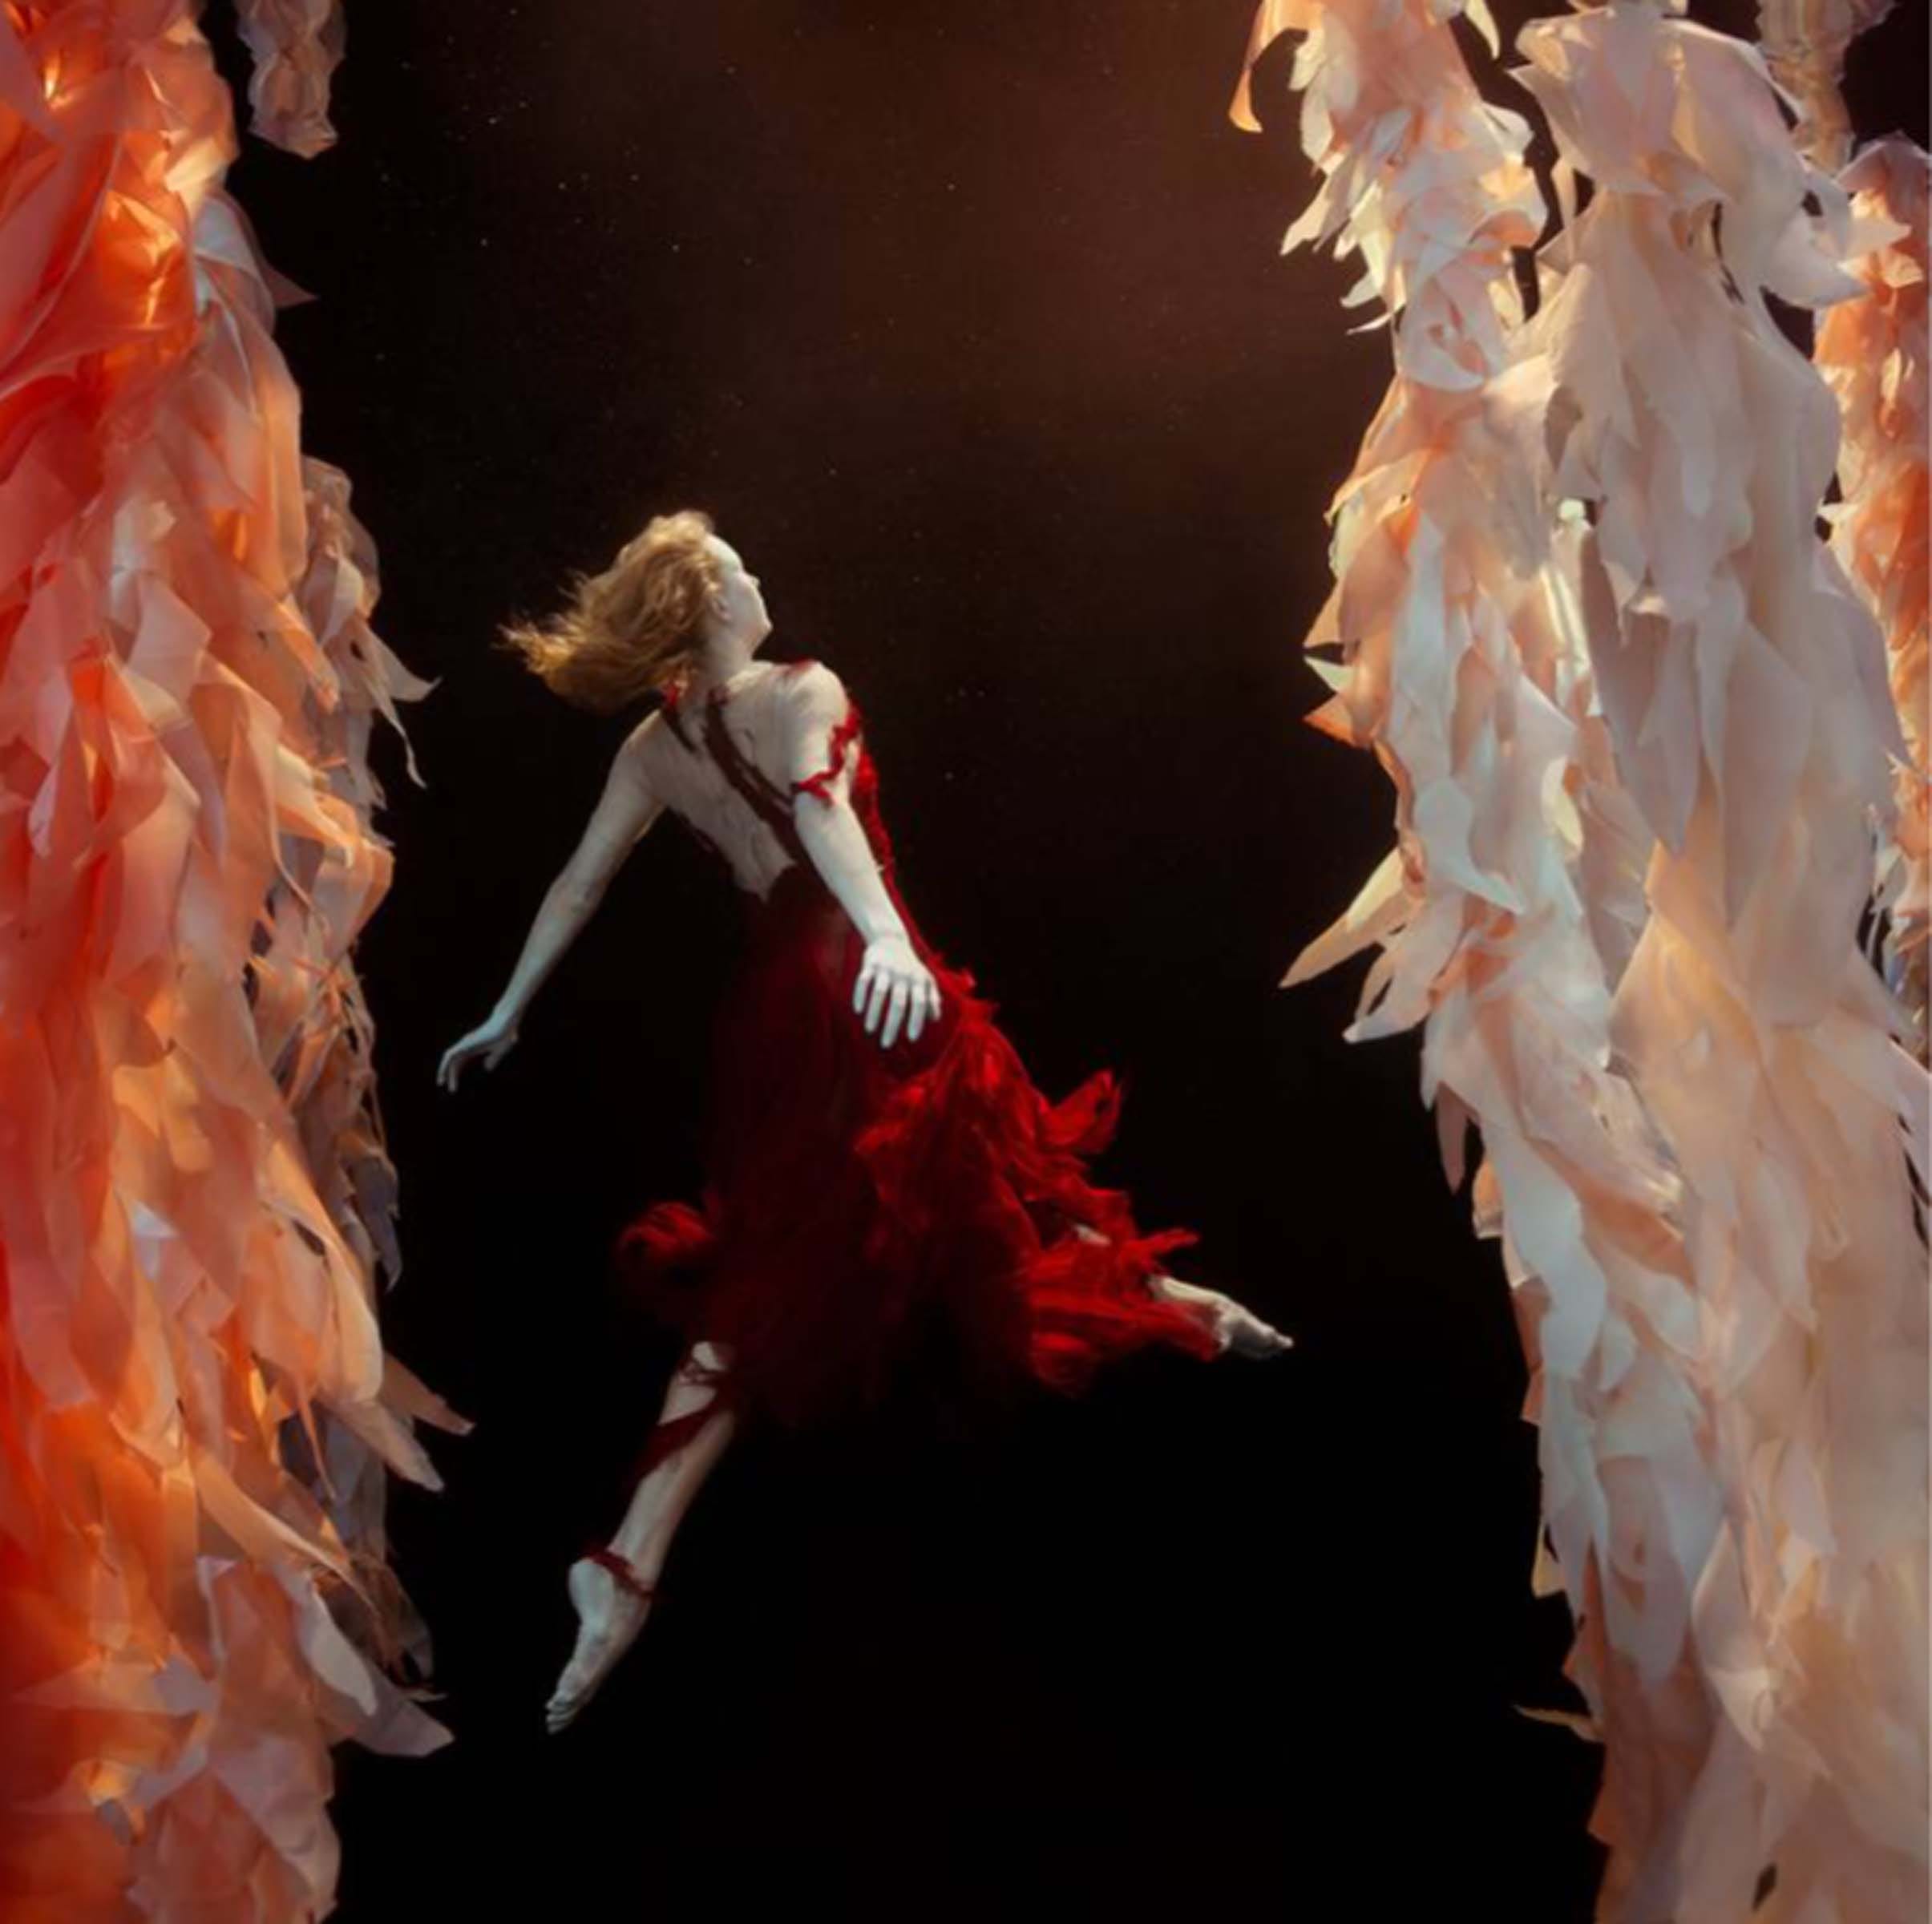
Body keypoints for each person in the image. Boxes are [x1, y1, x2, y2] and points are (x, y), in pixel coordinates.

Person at [439, 509, 1291, 1733]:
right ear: (712, 604)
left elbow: (582, 880)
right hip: (858, 974)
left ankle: (626, 1565)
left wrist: (508, 1008)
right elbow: (822, 809)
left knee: (874, 1211)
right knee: (947, 1181)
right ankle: (1166, 1302)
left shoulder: (655, 745)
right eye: (739, 571)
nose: (758, 580)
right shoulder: (799, 688)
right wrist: (888, 937)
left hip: (777, 1007)